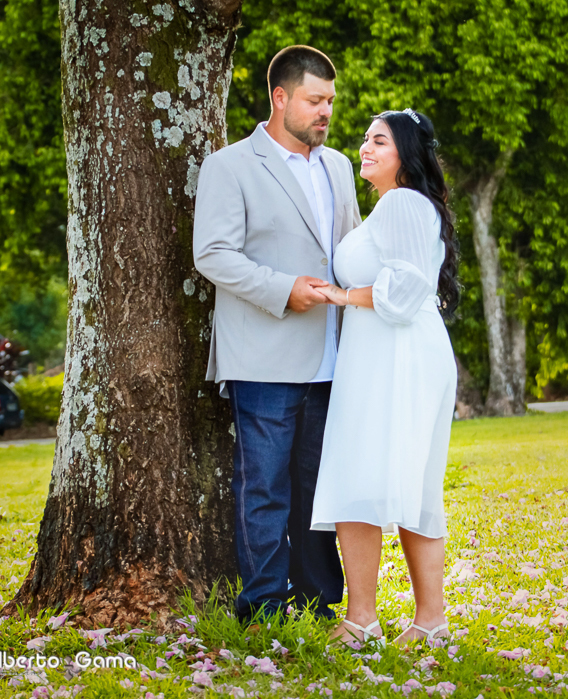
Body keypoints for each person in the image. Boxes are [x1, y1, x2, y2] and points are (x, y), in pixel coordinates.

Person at [192, 45, 361, 625]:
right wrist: (283, 288)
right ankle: (263, 606)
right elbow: (213, 254)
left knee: (319, 488)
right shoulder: (229, 166)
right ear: (280, 97)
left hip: (332, 356)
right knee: (264, 488)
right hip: (262, 355)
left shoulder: (339, 167)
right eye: (315, 100)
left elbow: (349, 251)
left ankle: (319, 604)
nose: (326, 112)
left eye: (330, 101)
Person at [310, 109, 459, 646]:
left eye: (380, 141)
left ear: (406, 155)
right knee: (389, 481)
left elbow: (404, 289)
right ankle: (410, 621)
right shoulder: (395, 207)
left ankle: (377, 619)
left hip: (398, 355)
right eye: (365, 139)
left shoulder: (401, 203)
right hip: (380, 352)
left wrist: (340, 295)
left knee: (371, 477)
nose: (365, 148)